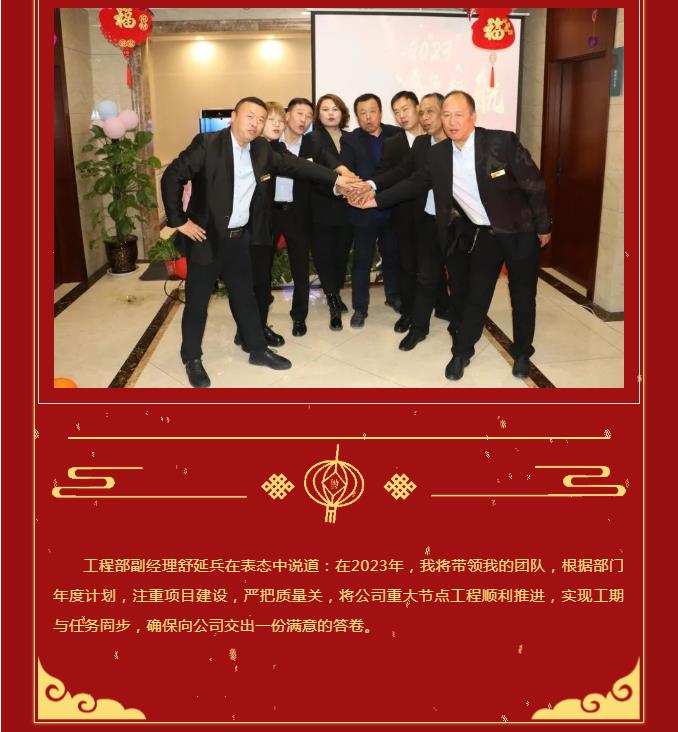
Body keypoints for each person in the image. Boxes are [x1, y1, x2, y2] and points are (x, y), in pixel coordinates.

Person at [351, 90, 551, 381]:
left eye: (458, 115)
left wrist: (543, 226)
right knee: (475, 294)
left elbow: (533, 183)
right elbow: (414, 182)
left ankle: (522, 352)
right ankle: (462, 351)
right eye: (446, 115)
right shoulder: (439, 154)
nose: (452, 121)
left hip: (520, 230)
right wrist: (375, 200)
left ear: (473, 116)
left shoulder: (500, 142)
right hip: (485, 234)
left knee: (522, 295)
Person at [161, 96, 355, 388]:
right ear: (234, 117)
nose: (255, 124)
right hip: (206, 238)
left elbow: (296, 166)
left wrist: (336, 180)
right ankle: (192, 358)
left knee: (246, 297)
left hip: (240, 239)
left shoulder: (261, 149)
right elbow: (172, 176)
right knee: (198, 303)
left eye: (261, 119)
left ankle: (257, 349)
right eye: (250, 117)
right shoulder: (208, 143)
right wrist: (179, 221)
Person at [366, 92, 450, 351]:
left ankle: (455, 318)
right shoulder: (422, 144)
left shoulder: (460, 143)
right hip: (423, 219)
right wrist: (371, 189)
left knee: (457, 275)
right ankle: (418, 326)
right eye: (422, 113)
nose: (424, 118)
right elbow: (404, 175)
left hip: (457, 223)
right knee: (421, 273)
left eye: (429, 112)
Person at [339, 93, 402, 328]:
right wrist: (359, 190)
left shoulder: (396, 134)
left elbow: (401, 170)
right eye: (362, 113)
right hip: (363, 209)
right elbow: (348, 171)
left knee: (392, 255)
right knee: (362, 260)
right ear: (357, 116)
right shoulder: (351, 140)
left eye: (372, 111)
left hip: (391, 208)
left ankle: (394, 297)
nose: (368, 117)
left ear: (381, 112)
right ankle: (360, 307)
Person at [232, 101, 287, 352]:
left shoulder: (273, 149)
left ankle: (254, 328)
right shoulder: (253, 150)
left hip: (266, 228)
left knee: (261, 283)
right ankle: (249, 331)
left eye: (280, 120)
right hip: (247, 230)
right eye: (270, 120)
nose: (276, 125)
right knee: (252, 284)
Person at [375, 91, 424, 333]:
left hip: (434, 213)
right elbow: (386, 175)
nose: (401, 115)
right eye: (396, 112)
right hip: (404, 213)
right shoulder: (392, 143)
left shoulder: (438, 137)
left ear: (418, 108)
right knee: (407, 265)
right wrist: (370, 188)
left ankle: (440, 305)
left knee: (433, 264)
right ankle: (408, 312)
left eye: (405, 109)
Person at [308, 93, 354, 330]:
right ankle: (333, 301)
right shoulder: (313, 138)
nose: (330, 113)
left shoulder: (351, 138)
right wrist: (340, 184)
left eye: (335, 109)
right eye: (325, 109)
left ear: (342, 112)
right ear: (319, 114)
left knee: (340, 255)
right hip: (322, 205)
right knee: (324, 255)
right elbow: (315, 172)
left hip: (348, 207)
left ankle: (334, 292)